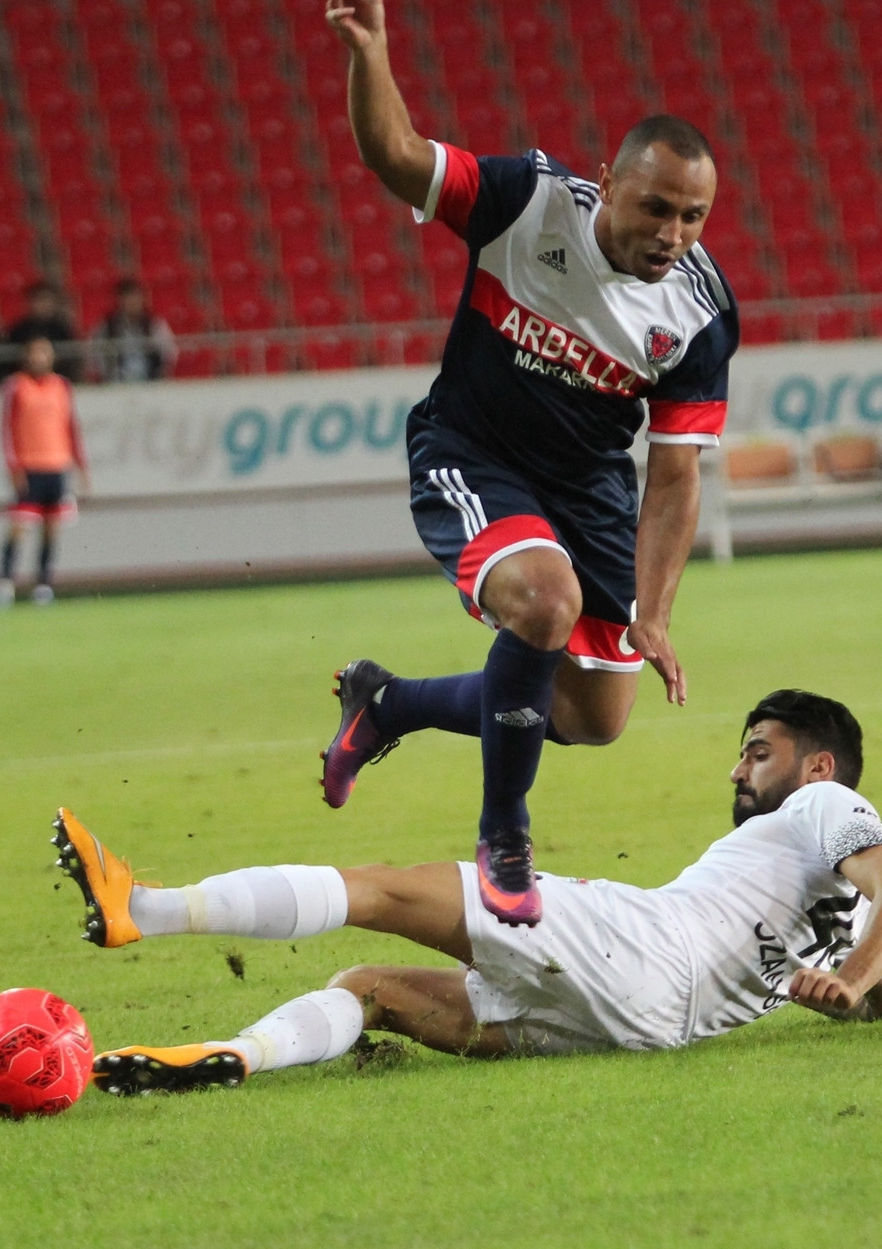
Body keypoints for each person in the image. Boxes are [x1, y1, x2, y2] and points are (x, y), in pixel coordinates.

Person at [317, 0, 739, 928]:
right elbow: (397, 156)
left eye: (693, 216)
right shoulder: (525, 202)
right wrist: (370, 54)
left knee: (592, 717)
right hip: (471, 453)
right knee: (544, 603)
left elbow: (674, 472)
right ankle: (503, 835)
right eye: (655, 207)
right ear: (607, 183)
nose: (672, 233)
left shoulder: (700, 313)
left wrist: (656, 612)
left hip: (587, 486)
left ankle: (387, 704)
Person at [47, 689, 882, 1094]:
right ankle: (239, 1055)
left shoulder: (823, 802)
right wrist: (859, 987)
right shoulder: (837, 910)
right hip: (647, 1030)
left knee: (382, 891)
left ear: (817, 766)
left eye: (758, 752)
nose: (737, 769)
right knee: (371, 988)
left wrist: (849, 981)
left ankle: (145, 909)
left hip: (640, 942)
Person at [0, 336, 89, 606]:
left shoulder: (61, 386)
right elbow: (7, 429)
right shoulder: (16, 386)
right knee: (19, 527)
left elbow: (71, 427)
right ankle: (5, 584)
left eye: (44, 353)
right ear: (26, 357)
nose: (39, 358)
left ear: (51, 357)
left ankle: (43, 585)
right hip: (29, 467)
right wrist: (14, 466)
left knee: (51, 529)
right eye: (34, 353)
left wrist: (80, 465)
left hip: (57, 465)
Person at [89, 278, 178, 382]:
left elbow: (169, 353)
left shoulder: (155, 324)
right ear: (120, 301)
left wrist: (161, 375)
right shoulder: (107, 326)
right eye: (128, 299)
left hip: (151, 381)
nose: (132, 303)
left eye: (136, 298)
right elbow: (96, 354)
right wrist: (106, 376)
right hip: (117, 382)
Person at [4, 281, 80, 379]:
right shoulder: (19, 330)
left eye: (47, 300)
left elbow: (71, 357)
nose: (43, 305)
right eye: (39, 300)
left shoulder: (62, 329)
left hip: (57, 377)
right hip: (25, 379)